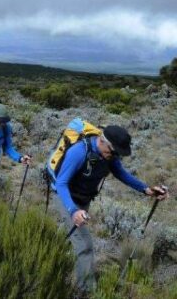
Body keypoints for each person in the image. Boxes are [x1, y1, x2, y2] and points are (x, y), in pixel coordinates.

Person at [52, 124, 169, 294]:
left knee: (72, 236)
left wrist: (146, 190)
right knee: (85, 246)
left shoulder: (109, 155)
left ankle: (53, 254)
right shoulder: (78, 152)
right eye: (114, 152)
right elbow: (61, 183)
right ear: (101, 141)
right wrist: (73, 211)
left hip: (83, 199)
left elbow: (122, 174)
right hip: (66, 198)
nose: (115, 157)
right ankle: (85, 291)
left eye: (118, 154)